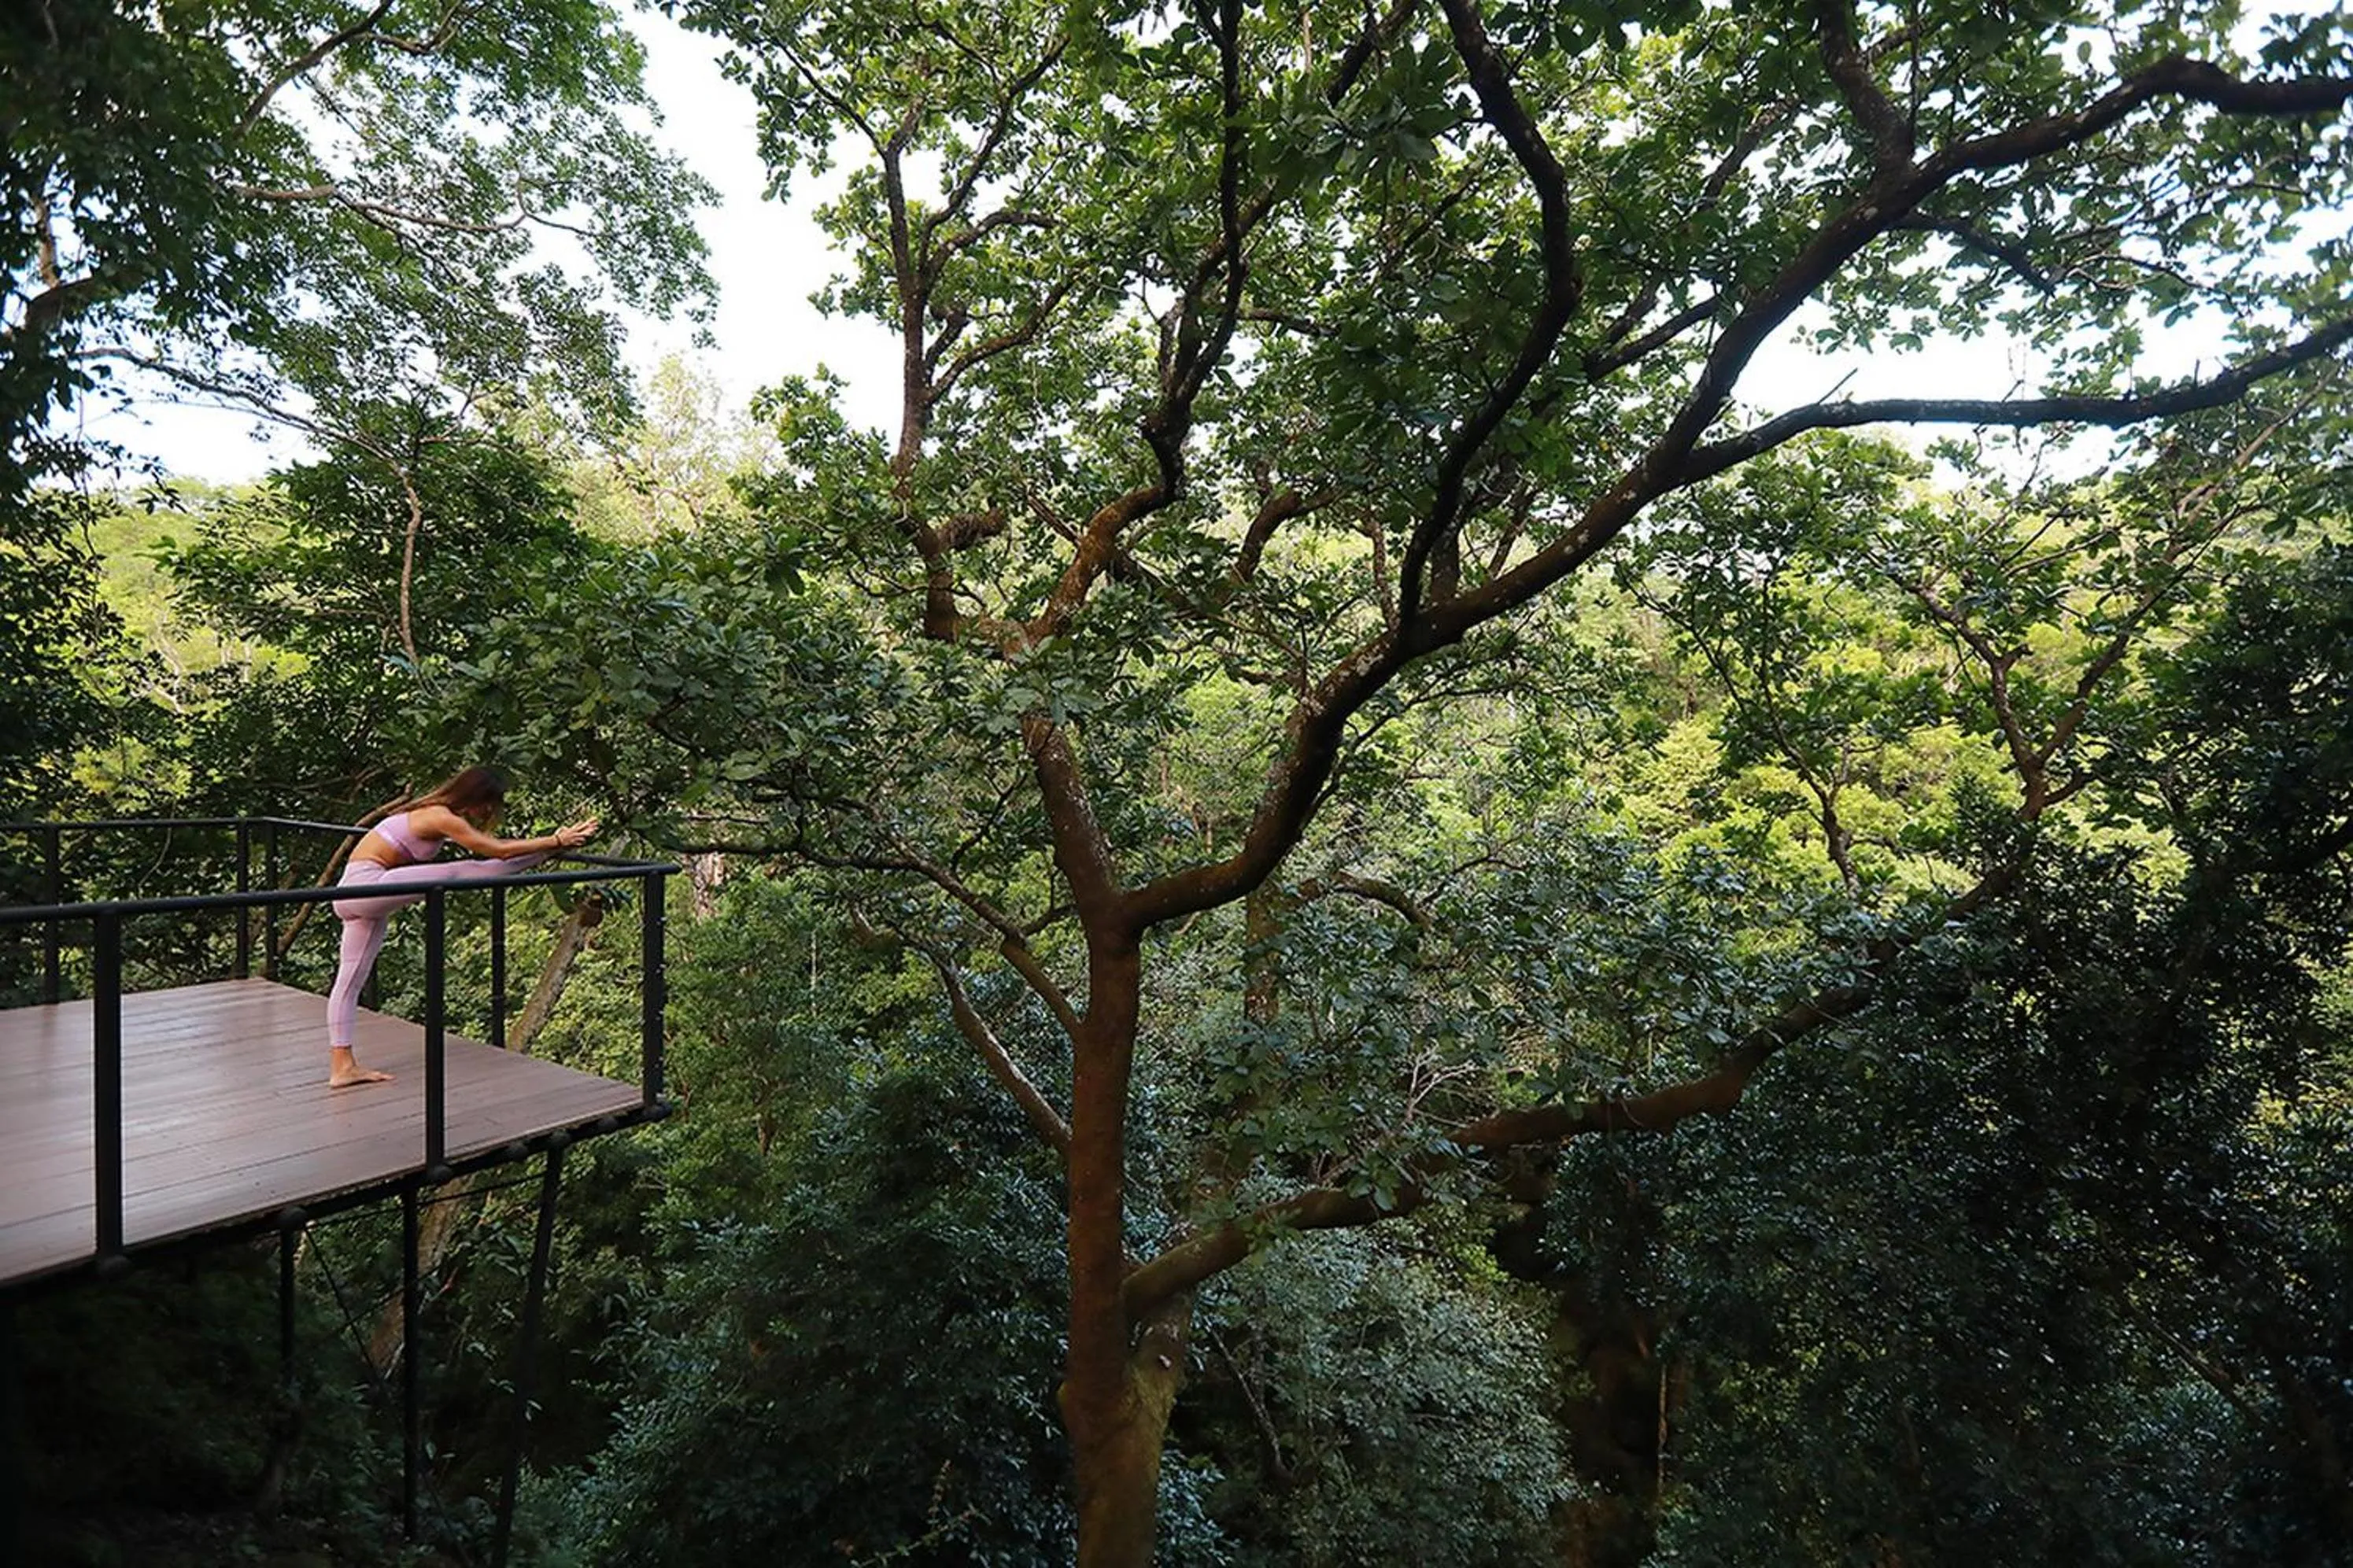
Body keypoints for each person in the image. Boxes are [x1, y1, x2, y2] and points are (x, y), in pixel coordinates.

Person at [327, 766, 599, 1087]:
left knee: (350, 981)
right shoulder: (439, 816)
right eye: (489, 803)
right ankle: (342, 1065)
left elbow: (491, 862)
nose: (488, 812)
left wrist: (554, 846)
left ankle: (342, 1067)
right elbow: (494, 852)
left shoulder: (435, 813)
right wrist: (555, 840)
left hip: (362, 897)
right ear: (474, 796)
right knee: (461, 872)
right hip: (364, 887)